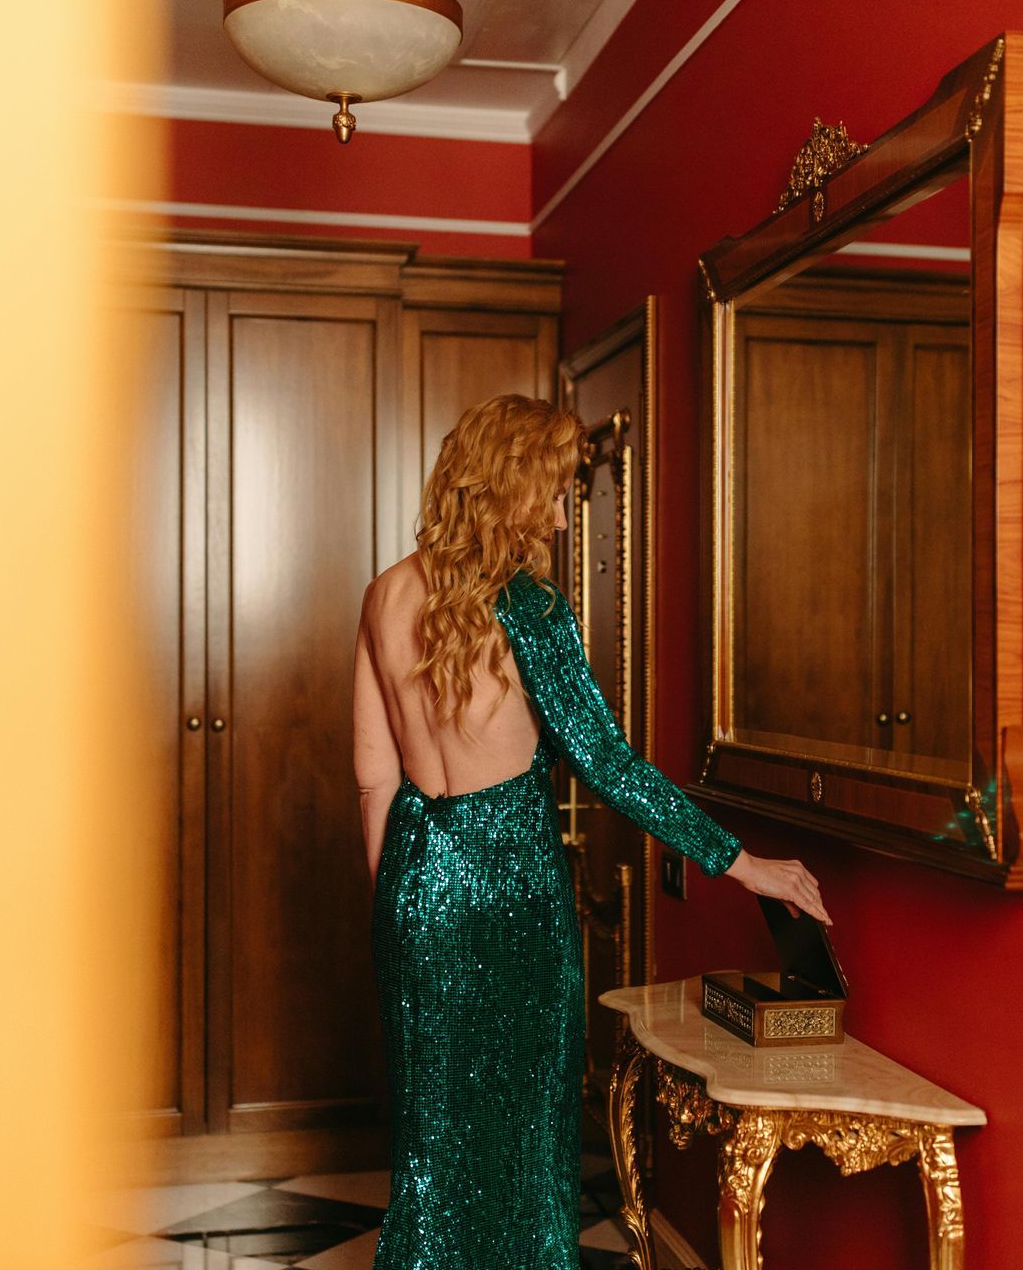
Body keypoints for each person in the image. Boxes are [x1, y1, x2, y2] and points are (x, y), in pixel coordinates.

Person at [352, 394, 830, 1269]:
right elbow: (607, 765)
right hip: (512, 898)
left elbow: (375, 777)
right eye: (562, 489)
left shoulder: (385, 593)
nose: (569, 510)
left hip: (414, 887)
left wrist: (404, 915)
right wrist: (741, 863)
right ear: (517, 485)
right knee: (528, 1140)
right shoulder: (531, 610)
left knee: (432, 1147)